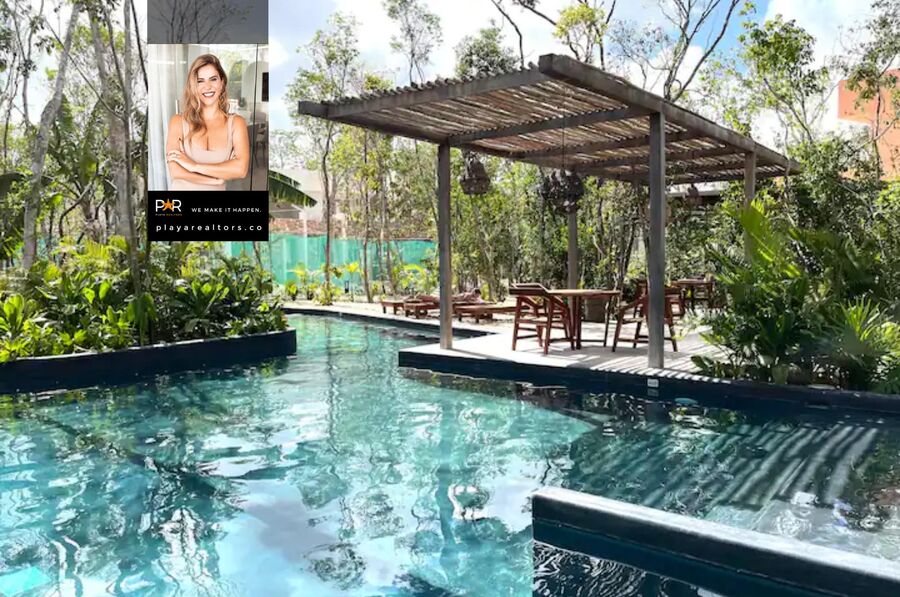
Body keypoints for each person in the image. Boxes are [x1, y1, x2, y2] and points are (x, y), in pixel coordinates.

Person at [165, 54, 250, 190]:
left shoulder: (236, 123)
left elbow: (241, 169)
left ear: (222, 83)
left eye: (213, 79)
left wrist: (193, 166)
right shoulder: (178, 122)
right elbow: (175, 171)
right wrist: (215, 181)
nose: (207, 86)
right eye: (200, 81)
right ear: (193, 86)